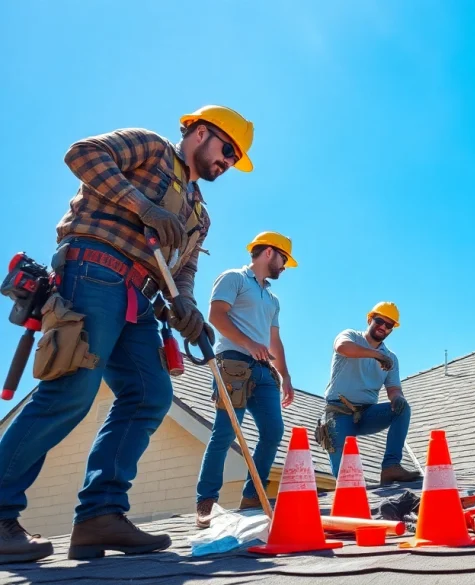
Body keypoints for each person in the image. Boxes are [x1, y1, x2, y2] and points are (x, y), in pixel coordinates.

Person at [0, 105, 255, 563]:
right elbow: (82, 155)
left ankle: (100, 515)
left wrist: (187, 306)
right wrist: (145, 206)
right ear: (199, 133)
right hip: (93, 272)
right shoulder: (152, 148)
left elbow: (186, 268)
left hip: (140, 300)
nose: (228, 163)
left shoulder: (200, 213)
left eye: (235, 159)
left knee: (149, 395)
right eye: (227, 150)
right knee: (70, 393)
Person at [194, 233, 298, 529]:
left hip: (265, 372)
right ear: (269, 253)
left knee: (273, 431)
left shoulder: (272, 298)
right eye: (284, 260)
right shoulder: (233, 278)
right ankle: (206, 502)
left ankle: (253, 496)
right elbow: (216, 316)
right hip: (233, 365)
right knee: (225, 432)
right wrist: (249, 343)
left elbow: (274, 340)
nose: (285, 267)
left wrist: (285, 374)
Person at [316, 302, 422, 484]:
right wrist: (376, 355)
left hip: (366, 414)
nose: (383, 327)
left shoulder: (391, 358)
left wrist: (398, 399)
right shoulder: (351, 336)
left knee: (402, 409)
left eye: (389, 325)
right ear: (369, 319)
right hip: (338, 414)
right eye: (379, 321)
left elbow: (394, 389)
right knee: (347, 479)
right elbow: (342, 347)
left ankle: (391, 466)